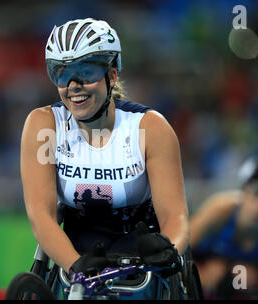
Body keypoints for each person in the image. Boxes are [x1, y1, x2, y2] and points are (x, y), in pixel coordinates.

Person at [20, 18, 190, 278]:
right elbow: (41, 216)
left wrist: (169, 248)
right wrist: (76, 265)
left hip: (139, 244)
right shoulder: (43, 126)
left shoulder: (151, 128)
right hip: (77, 247)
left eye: (86, 72)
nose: (74, 85)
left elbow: (175, 216)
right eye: (63, 74)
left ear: (112, 75)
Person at [190, 156, 258, 299]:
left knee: (244, 277)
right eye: (256, 195)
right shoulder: (218, 211)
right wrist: (198, 275)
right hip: (203, 282)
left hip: (243, 290)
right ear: (244, 192)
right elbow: (177, 251)